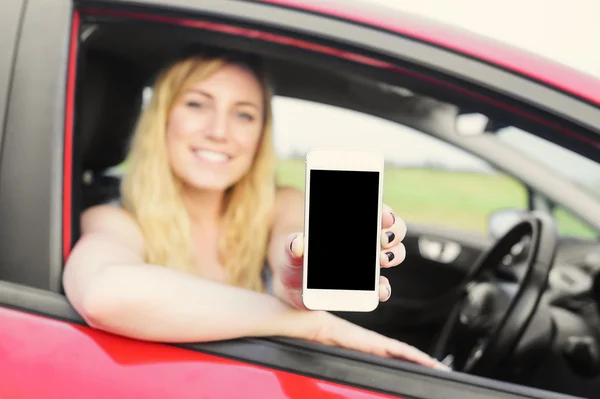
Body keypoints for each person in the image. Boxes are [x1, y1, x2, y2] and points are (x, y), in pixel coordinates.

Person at [63, 49, 449, 371]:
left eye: (243, 114)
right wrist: (313, 326)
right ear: (162, 119)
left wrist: (298, 279)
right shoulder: (113, 219)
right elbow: (106, 294)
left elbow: (291, 249)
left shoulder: (282, 204)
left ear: (261, 134)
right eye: (197, 104)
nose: (219, 131)